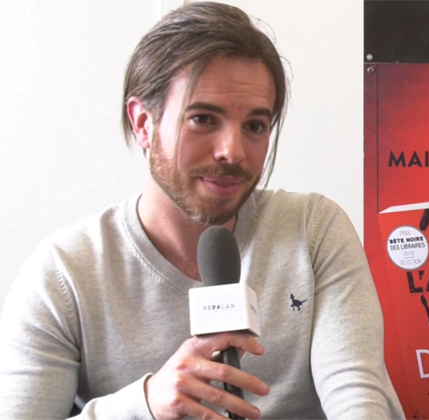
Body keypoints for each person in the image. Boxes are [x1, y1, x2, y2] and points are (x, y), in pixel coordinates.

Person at [0, 2, 403, 419]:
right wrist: (145, 404)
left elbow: (360, 400)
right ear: (143, 123)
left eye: (255, 126)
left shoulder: (313, 230)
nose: (233, 151)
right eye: (204, 119)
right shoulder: (64, 274)